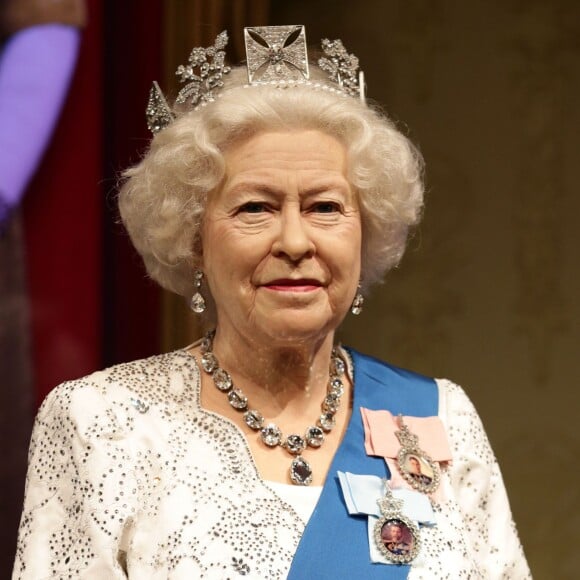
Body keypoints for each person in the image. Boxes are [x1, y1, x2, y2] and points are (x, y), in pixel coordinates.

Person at [13, 25, 531, 579]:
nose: (294, 241)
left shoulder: (439, 417)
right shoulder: (102, 422)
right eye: (254, 207)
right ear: (193, 238)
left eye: (325, 207)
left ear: (367, 231)